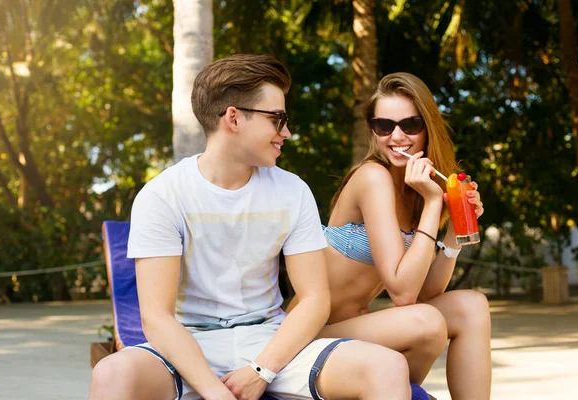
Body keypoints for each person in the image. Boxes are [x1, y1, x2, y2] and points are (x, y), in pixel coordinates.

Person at [90, 55, 428, 400]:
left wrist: (261, 371)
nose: (287, 132)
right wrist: (215, 392)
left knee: (387, 366)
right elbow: (158, 317)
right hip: (188, 345)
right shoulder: (162, 195)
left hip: (272, 340)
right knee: (112, 373)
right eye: (277, 119)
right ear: (233, 118)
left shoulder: (292, 191)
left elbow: (314, 300)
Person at [288, 72, 492, 400]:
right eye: (384, 126)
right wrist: (431, 203)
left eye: (410, 124)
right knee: (425, 322)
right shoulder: (373, 177)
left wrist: (456, 229)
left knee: (472, 305)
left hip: (357, 331)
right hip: (309, 336)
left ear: (428, 127)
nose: (396, 136)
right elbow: (403, 293)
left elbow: (426, 290)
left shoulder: (411, 191)